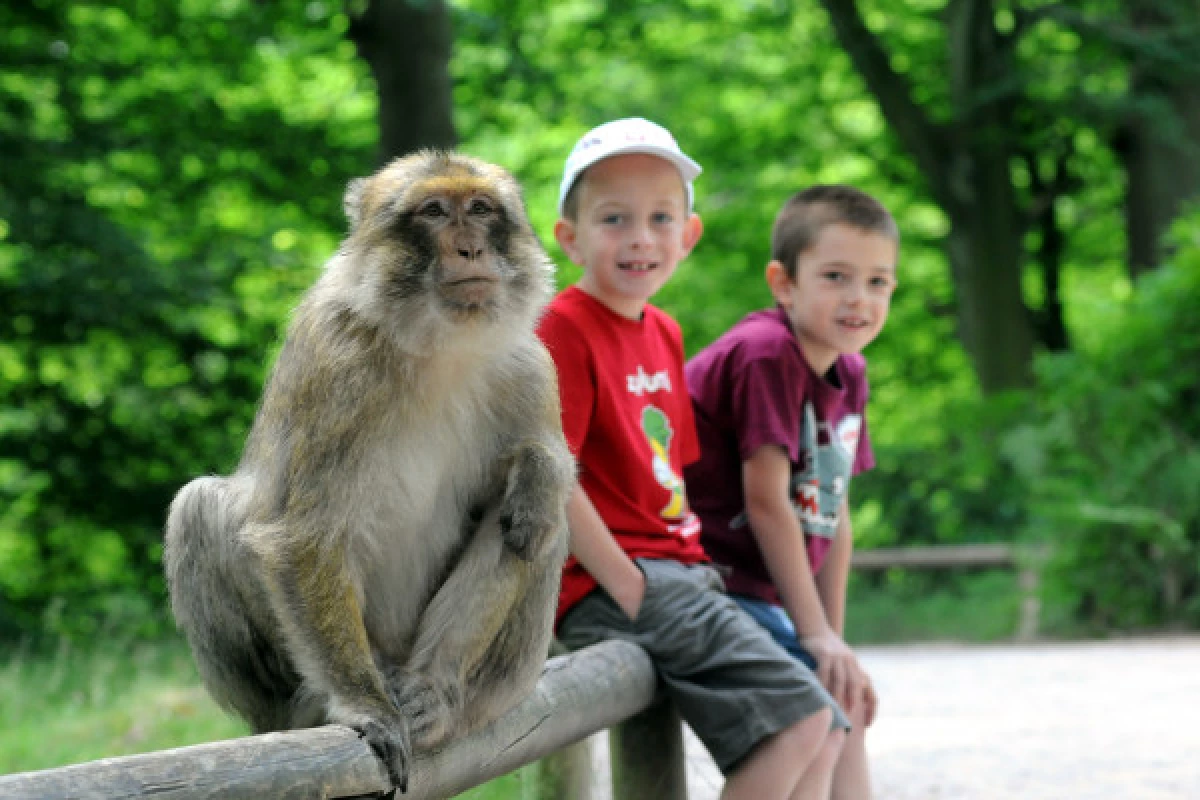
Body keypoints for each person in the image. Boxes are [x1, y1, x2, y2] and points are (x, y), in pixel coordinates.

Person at [537, 117, 850, 800]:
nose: (640, 237)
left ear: (689, 234)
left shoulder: (665, 332)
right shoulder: (563, 327)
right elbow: (549, 476)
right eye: (613, 219)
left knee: (825, 727)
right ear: (570, 237)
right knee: (797, 725)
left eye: (659, 218)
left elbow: (666, 474)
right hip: (619, 581)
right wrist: (624, 583)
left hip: (685, 572)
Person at [683, 185, 899, 799]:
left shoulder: (848, 368)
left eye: (879, 282)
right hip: (710, 579)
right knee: (816, 720)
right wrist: (815, 637)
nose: (859, 298)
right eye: (836, 276)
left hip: (766, 591)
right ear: (784, 282)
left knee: (844, 703)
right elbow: (768, 503)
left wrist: (834, 639)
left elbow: (833, 513)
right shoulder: (765, 354)